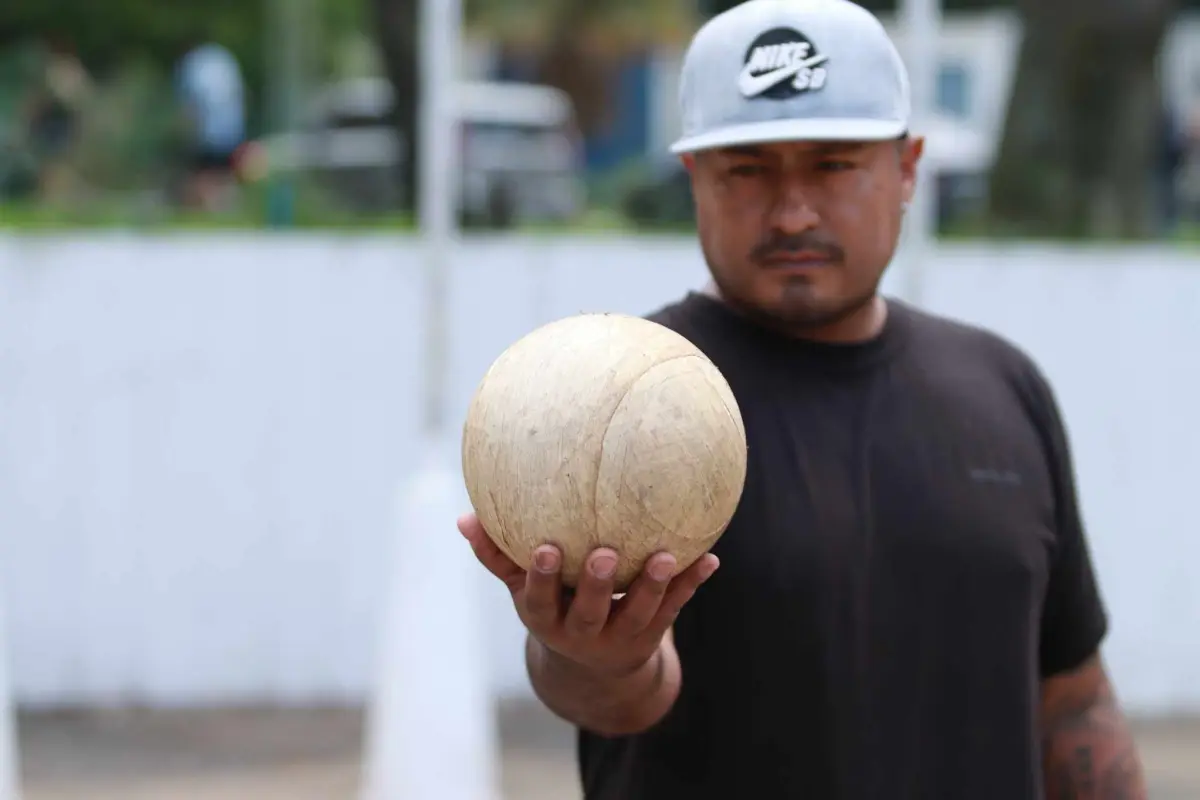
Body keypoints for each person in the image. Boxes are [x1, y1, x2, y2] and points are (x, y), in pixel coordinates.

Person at [458, 0, 1148, 797]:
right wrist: (592, 656)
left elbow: (1072, 697)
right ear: (695, 180)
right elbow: (615, 695)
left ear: (908, 168)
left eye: (833, 164)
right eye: (747, 170)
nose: (792, 211)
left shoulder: (1003, 386)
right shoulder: (614, 411)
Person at [173, 40, 246, 212]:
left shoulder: (192, 65)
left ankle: (210, 206)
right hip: (232, 129)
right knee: (224, 172)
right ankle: (223, 206)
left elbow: (192, 104)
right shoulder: (222, 58)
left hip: (207, 130)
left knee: (204, 173)